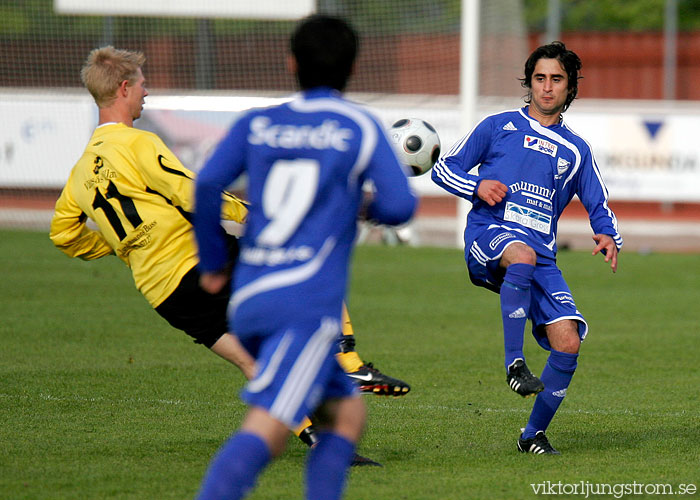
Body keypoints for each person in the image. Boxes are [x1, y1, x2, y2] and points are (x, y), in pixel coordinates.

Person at [48, 45, 401, 467]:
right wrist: (249, 214)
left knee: (249, 360)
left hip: (162, 292)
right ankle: (350, 362)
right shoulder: (137, 142)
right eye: (142, 84)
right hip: (195, 261)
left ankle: (320, 443)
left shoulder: (80, 171)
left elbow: (63, 235)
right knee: (306, 270)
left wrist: (122, 241)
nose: (147, 91)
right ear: (124, 88)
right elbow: (189, 190)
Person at [193, 14, 417, 500]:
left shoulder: (259, 122)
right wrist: (358, 205)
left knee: (347, 413)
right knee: (269, 426)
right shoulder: (358, 124)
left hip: (250, 296)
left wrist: (212, 265)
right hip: (306, 304)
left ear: (291, 62)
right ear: (352, 68)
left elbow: (207, 184)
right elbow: (401, 206)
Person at [431, 41, 622, 454]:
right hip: (490, 235)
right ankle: (514, 363)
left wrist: (607, 234)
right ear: (529, 83)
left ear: (570, 89)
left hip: (541, 257)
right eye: (540, 79)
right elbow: (445, 168)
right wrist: (476, 185)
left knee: (568, 340)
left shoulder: (576, 151)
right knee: (521, 252)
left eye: (557, 80)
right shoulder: (498, 126)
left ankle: (531, 434)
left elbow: (597, 200)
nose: (547, 88)